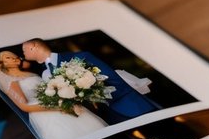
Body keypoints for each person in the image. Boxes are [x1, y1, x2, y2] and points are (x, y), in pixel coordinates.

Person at [22, 38, 159, 124]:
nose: (23, 54)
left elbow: (113, 79)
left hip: (128, 105)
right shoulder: (46, 74)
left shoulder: (81, 57)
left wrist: (96, 96)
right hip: (103, 119)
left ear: (33, 46)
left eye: (24, 50)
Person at [0, 49, 107, 139]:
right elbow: (24, 107)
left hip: (60, 102)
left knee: (94, 131)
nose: (13, 57)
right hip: (45, 114)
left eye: (13, 55)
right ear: (2, 64)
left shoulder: (29, 73)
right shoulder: (11, 82)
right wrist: (58, 107)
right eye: (8, 57)